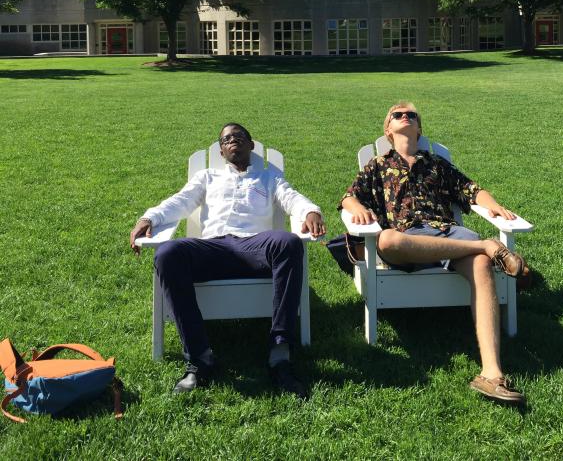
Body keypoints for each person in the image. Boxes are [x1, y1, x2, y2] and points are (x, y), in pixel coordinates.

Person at [340, 102, 528, 405]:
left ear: (419, 128)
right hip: (408, 239)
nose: (405, 117)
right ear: (388, 130)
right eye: (397, 115)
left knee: (480, 265)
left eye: (410, 115)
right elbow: (349, 197)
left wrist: (493, 205)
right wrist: (358, 207)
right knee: (387, 240)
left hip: (449, 234)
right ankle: (487, 246)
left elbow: (470, 189)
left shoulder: (437, 164)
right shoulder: (376, 165)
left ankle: (492, 373)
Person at [130, 122, 326, 398]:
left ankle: (280, 351)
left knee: (288, 242)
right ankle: (199, 358)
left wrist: (309, 211)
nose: (232, 140)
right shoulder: (207, 177)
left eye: (239, 136)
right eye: (225, 139)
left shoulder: (269, 178)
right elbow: (180, 201)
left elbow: (291, 198)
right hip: (213, 247)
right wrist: (149, 218)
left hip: (255, 245)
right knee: (167, 254)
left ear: (251, 145)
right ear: (221, 151)